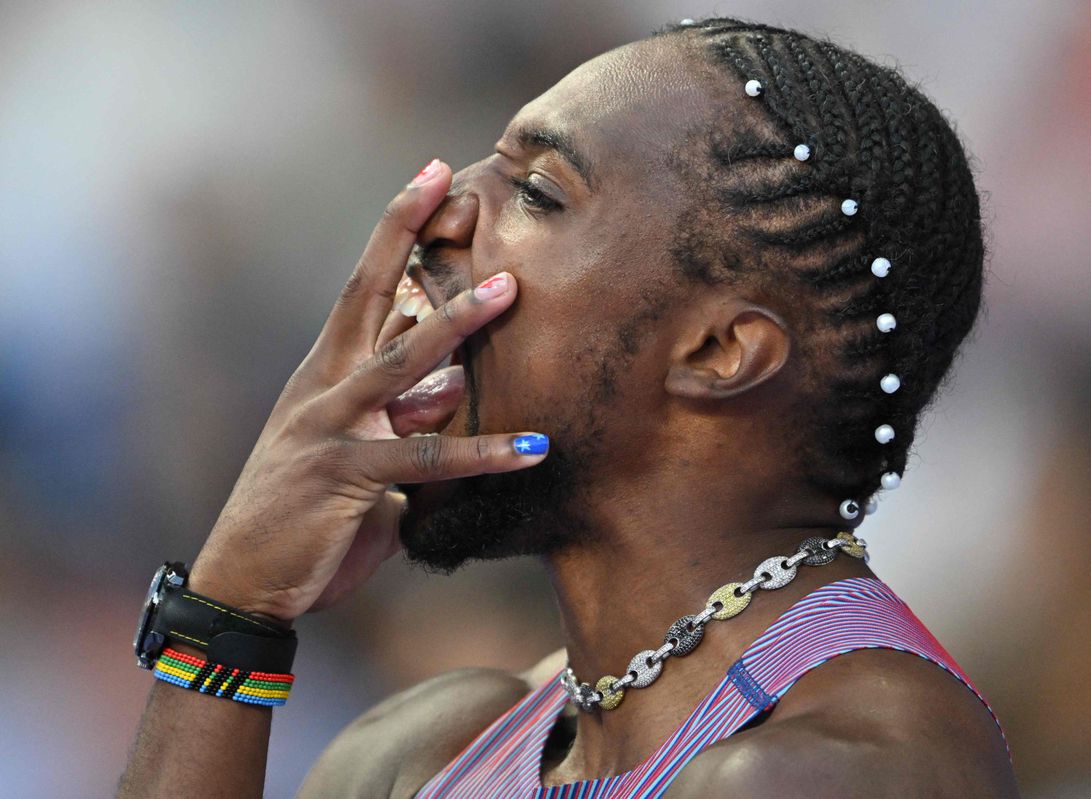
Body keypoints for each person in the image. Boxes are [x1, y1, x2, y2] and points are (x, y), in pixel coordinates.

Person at [118, 17, 1019, 798]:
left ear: (719, 351)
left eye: (539, 191)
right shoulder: (427, 748)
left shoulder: (833, 772)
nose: (439, 211)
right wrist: (232, 610)